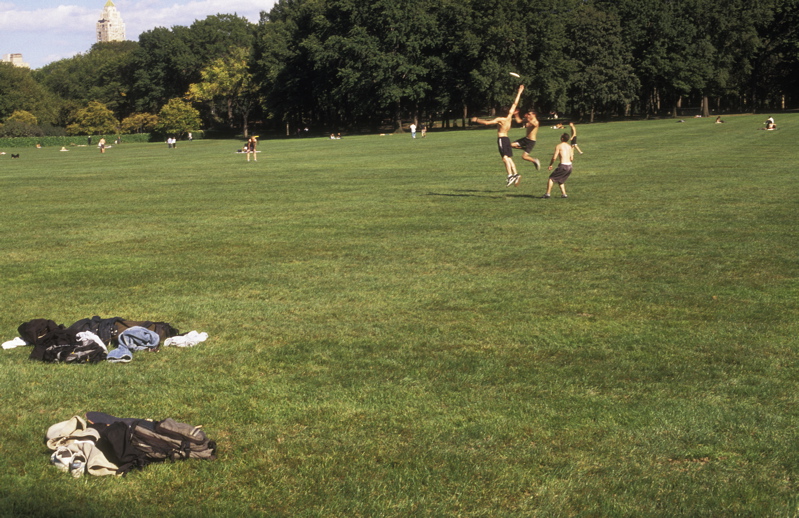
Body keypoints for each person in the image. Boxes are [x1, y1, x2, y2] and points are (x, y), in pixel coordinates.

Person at [471, 84, 525, 187]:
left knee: (504, 158)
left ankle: (510, 176)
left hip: (502, 138)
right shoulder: (509, 117)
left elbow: (487, 123)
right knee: (508, 157)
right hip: (507, 139)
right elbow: (515, 103)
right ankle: (516, 174)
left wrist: (477, 120)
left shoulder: (500, 119)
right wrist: (519, 92)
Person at [544, 132, 574, 198]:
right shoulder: (569, 146)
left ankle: (547, 194)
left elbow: (554, 157)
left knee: (551, 178)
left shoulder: (559, 146)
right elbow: (572, 158)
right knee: (561, 180)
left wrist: (550, 164)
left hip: (563, 165)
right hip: (570, 166)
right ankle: (564, 194)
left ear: (562, 138)